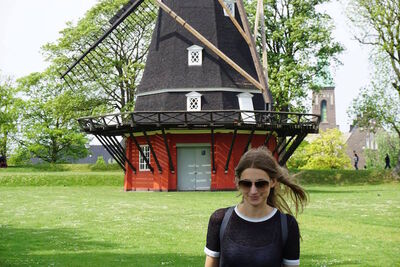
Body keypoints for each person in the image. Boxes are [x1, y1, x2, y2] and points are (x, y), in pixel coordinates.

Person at [204, 147, 308, 267]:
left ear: (273, 182)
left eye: (261, 184)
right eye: (246, 184)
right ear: (238, 182)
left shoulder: (287, 225)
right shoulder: (220, 220)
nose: (253, 191)